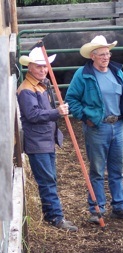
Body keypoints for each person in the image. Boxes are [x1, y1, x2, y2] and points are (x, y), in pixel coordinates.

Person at [65, 35, 123, 224]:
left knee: (117, 168)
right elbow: (71, 99)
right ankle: (97, 209)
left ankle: (119, 207)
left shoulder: (116, 71)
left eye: (108, 53)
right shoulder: (83, 74)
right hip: (98, 126)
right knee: (97, 169)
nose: (106, 57)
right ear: (93, 56)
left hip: (118, 125)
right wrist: (86, 117)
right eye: (102, 54)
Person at [17, 47, 78, 232]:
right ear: (30, 68)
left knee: (49, 178)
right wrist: (56, 112)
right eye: (39, 67)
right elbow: (32, 115)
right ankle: (55, 217)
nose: (43, 70)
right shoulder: (27, 90)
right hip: (38, 141)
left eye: (45, 66)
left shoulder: (41, 85)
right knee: (47, 180)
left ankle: (51, 214)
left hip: (45, 139)